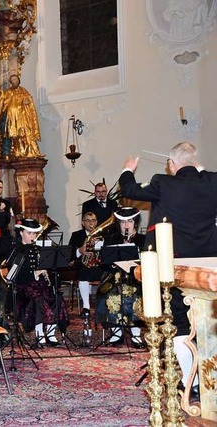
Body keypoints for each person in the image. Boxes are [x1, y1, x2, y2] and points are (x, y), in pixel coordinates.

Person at [119, 142, 217, 396]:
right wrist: (203, 173)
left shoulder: (164, 182)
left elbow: (129, 189)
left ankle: (191, 382)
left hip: (175, 265)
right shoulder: (212, 181)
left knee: (180, 322)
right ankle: (211, 378)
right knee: (208, 321)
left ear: (172, 165)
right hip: (209, 265)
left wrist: (128, 169)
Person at [5, 218, 67, 346]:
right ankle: (39, 334)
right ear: (21, 233)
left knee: (56, 298)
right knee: (38, 298)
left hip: (39, 285)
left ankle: (50, 333)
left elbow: (48, 267)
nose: (32, 236)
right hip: (22, 287)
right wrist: (34, 273)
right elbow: (14, 273)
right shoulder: (16, 249)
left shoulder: (38, 249)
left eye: (34, 234)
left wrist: (46, 272)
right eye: (29, 233)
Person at [94, 207, 145, 348]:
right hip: (115, 275)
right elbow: (104, 263)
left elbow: (148, 262)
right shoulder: (111, 239)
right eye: (123, 222)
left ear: (135, 222)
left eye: (130, 221)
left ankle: (136, 334)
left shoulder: (142, 239)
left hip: (136, 275)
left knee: (137, 294)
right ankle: (116, 332)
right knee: (109, 293)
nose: (126, 225)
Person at [0, 73, 42, 158]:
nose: (14, 81)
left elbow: (29, 101)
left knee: (24, 133)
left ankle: (28, 151)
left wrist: (27, 102)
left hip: (21, 118)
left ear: (19, 81)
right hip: (11, 119)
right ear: (10, 82)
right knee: (12, 135)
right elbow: (3, 100)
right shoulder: (8, 92)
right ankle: (16, 152)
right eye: (12, 80)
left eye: (16, 79)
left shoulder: (24, 91)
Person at [67, 211, 104, 320]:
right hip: (83, 267)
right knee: (83, 273)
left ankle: (104, 306)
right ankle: (86, 306)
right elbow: (70, 254)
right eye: (87, 220)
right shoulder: (76, 235)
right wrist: (80, 250)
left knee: (109, 274)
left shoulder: (103, 235)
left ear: (96, 222)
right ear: (83, 223)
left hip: (99, 266)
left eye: (93, 220)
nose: (90, 223)